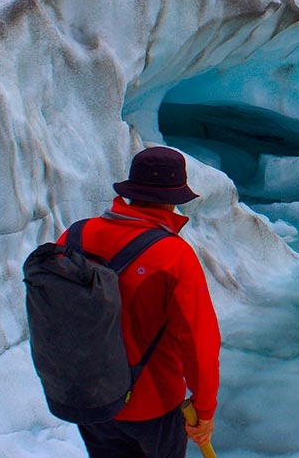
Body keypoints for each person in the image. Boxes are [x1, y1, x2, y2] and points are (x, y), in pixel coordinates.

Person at [56, 146, 221, 458]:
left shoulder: (74, 236)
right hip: (153, 404)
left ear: (131, 189)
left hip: (90, 398)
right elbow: (199, 343)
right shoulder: (174, 255)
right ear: (174, 198)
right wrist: (204, 409)